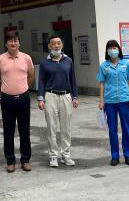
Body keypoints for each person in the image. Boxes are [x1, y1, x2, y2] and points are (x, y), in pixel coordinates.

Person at [0, 32, 35, 173]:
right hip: (7, 99)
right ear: (6, 44)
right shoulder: (0, 59)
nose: (13, 43)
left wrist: (24, 88)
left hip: (23, 98)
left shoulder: (26, 58)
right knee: (8, 130)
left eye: (15, 40)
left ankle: (25, 160)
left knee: (24, 130)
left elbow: (31, 75)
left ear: (19, 43)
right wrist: (5, 88)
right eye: (10, 40)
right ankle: (10, 161)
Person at [37, 35, 80, 167]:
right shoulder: (44, 62)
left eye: (58, 43)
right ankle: (53, 156)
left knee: (66, 128)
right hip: (50, 96)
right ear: (49, 46)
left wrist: (75, 96)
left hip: (66, 96)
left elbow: (73, 79)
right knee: (51, 128)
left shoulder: (68, 61)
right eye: (53, 43)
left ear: (62, 45)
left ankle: (66, 155)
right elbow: (41, 81)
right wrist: (41, 98)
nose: (56, 46)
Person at [96, 39, 129, 166]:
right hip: (110, 102)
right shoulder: (104, 66)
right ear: (107, 51)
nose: (112, 50)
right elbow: (102, 84)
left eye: (114, 48)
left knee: (126, 128)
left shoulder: (126, 64)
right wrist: (101, 100)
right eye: (110, 48)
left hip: (124, 100)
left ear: (118, 49)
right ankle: (115, 156)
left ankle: (128, 154)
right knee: (112, 130)